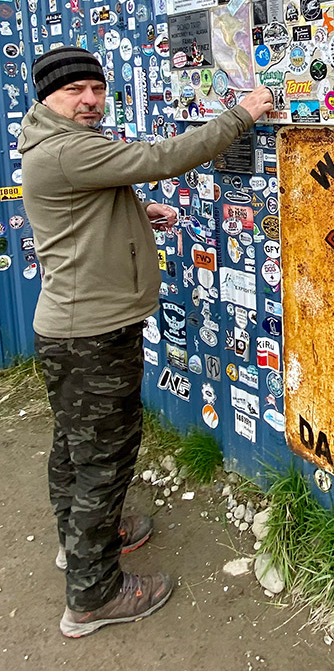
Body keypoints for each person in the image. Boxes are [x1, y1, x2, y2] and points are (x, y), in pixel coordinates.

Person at [18, 46, 273, 638]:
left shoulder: (51, 144)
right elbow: (163, 156)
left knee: (75, 451)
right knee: (102, 462)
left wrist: (136, 215)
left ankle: (82, 545)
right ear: (46, 97)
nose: (89, 101)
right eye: (74, 91)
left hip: (74, 329)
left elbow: (92, 204)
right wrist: (242, 114)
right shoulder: (65, 149)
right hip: (92, 337)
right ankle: (92, 597)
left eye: (97, 89)